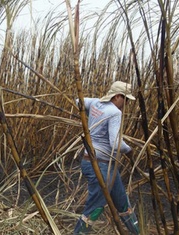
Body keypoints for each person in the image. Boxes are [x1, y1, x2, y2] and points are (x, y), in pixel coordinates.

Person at [74, 81, 140, 234]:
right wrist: (129, 151)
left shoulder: (95, 103)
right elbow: (116, 143)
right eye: (126, 99)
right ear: (117, 96)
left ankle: (137, 232)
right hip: (99, 165)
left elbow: (78, 101)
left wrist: (91, 117)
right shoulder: (115, 112)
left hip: (101, 164)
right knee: (95, 207)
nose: (126, 103)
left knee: (122, 202)